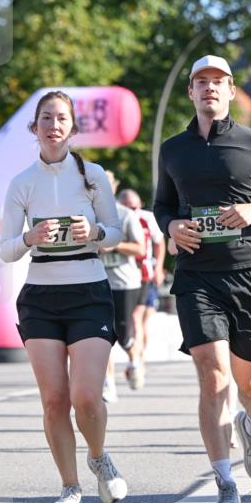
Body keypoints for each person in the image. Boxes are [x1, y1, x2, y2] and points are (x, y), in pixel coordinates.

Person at [154, 55, 251, 503]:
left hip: (249, 273)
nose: (209, 89)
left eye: (218, 82)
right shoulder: (173, 149)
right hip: (197, 275)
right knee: (213, 374)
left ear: (231, 89)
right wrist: (172, 226)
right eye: (201, 82)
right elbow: (162, 205)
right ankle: (225, 483)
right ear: (191, 93)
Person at [0, 91, 127, 503]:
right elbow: (4, 250)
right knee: (55, 398)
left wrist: (91, 232)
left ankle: (98, 456)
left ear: (73, 128)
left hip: (88, 290)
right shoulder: (21, 183)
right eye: (46, 118)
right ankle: (70, 488)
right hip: (40, 297)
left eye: (62, 119)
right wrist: (28, 239)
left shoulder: (94, 176)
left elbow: (115, 233)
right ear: (34, 129)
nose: (54, 125)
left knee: (87, 396)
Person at [100, 172, 144, 401]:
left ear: (114, 189)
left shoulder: (125, 215)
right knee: (102, 334)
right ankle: (109, 384)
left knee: (124, 332)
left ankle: (135, 361)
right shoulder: (88, 214)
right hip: (98, 281)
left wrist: (113, 245)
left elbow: (140, 248)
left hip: (125, 282)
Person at [117, 188, 166, 375]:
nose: (132, 210)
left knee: (141, 319)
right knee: (134, 319)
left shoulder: (147, 218)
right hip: (124, 276)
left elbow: (159, 242)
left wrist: (159, 267)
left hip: (145, 274)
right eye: (127, 207)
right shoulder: (116, 218)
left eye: (135, 206)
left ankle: (139, 359)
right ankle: (135, 358)